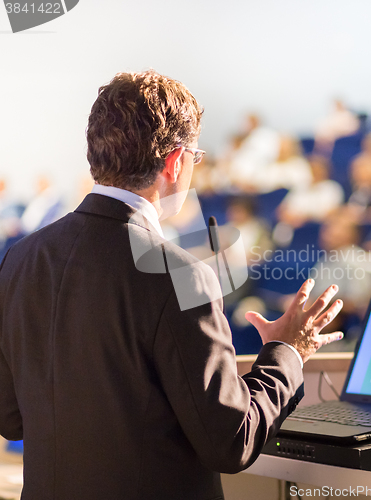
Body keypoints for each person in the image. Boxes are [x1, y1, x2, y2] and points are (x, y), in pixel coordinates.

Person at [0, 70, 343, 500]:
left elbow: (10, 417)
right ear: (176, 161)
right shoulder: (181, 274)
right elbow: (229, 442)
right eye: (195, 158)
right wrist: (287, 353)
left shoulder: (21, 258)